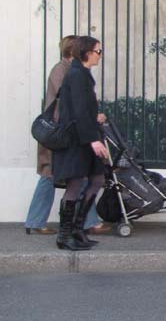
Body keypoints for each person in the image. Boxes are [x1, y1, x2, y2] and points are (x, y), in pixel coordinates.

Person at [25, 36, 108, 236]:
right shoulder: (64, 71)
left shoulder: (72, 71)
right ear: (75, 51)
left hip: (65, 132)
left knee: (74, 177)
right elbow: (69, 106)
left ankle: (83, 223)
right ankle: (41, 222)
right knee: (53, 176)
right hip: (60, 135)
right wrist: (90, 118)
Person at [52, 36, 109, 250]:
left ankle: (78, 229)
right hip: (78, 140)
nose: (100, 55)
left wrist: (95, 119)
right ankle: (64, 235)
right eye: (98, 51)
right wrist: (93, 140)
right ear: (86, 52)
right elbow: (77, 111)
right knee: (75, 185)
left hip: (86, 136)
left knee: (97, 179)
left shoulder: (83, 74)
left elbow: (84, 110)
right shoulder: (76, 75)